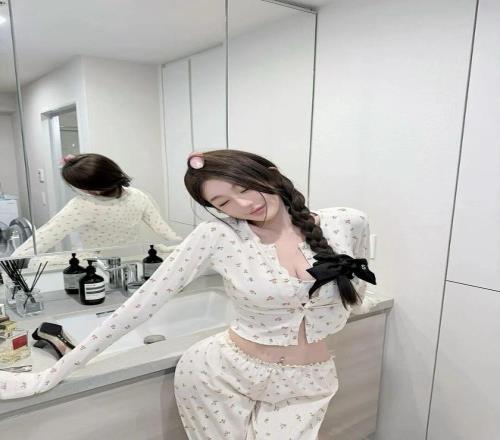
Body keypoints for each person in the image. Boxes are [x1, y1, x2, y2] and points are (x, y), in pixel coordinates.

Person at [0, 149, 376, 440]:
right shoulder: (217, 236)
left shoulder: (347, 220)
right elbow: (139, 307)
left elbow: (354, 288)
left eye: (244, 187)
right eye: (223, 203)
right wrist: (54, 372)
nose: (245, 205)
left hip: (308, 380)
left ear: (270, 172)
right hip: (221, 376)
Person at [11, 153, 181, 257]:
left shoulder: (82, 205)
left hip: (98, 266)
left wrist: (13, 260)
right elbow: (163, 229)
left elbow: (45, 236)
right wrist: (183, 247)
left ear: (93, 189)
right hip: (134, 258)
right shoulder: (138, 196)